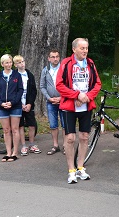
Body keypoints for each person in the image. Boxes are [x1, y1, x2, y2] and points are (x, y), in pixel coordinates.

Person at [56, 38, 102, 184]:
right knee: (70, 138)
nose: (85, 51)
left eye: (86, 48)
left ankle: (80, 167)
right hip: (69, 107)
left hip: (85, 106)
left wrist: (87, 97)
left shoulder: (90, 63)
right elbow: (59, 85)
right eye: (82, 48)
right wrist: (76, 95)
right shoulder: (66, 63)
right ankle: (71, 170)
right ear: (74, 49)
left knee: (84, 137)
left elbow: (97, 84)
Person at [0, 54, 23, 162]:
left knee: (15, 129)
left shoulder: (17, 75)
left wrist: (12, 102)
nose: (9, 64)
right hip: (2, 107)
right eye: (6, 63)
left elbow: (20, 90)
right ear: (2, 64)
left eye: (10, 62)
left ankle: (15, 152)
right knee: (6, 130)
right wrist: (1, 103)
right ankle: (8, 152)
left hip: (15, 106)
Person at [13, 55, 41, 156]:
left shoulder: (29, 75)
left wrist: (29, 103)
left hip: (29, 104)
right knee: (20, 125)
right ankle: (23, 146)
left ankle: (32, 144)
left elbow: (33, 91)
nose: (22, 64)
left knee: (32, 124)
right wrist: (20, 104)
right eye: (19, 62)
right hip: (18, 105)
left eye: (23, 61)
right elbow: (13, 91)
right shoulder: (14, 76)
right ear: (16, 65)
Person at [40, 49, 65, 155]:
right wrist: (49, 98)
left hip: (63, 100)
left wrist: (62, 97)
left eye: (57, 57)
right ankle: (55, 145)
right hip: (50, 101)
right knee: (53, 124)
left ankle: (65, 145)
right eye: (53, 57)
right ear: (49, 58)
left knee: (65, 124)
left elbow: (69, 85)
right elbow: (42, 86)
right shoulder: (45, 70)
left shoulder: (64, 69)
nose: (55, 59)